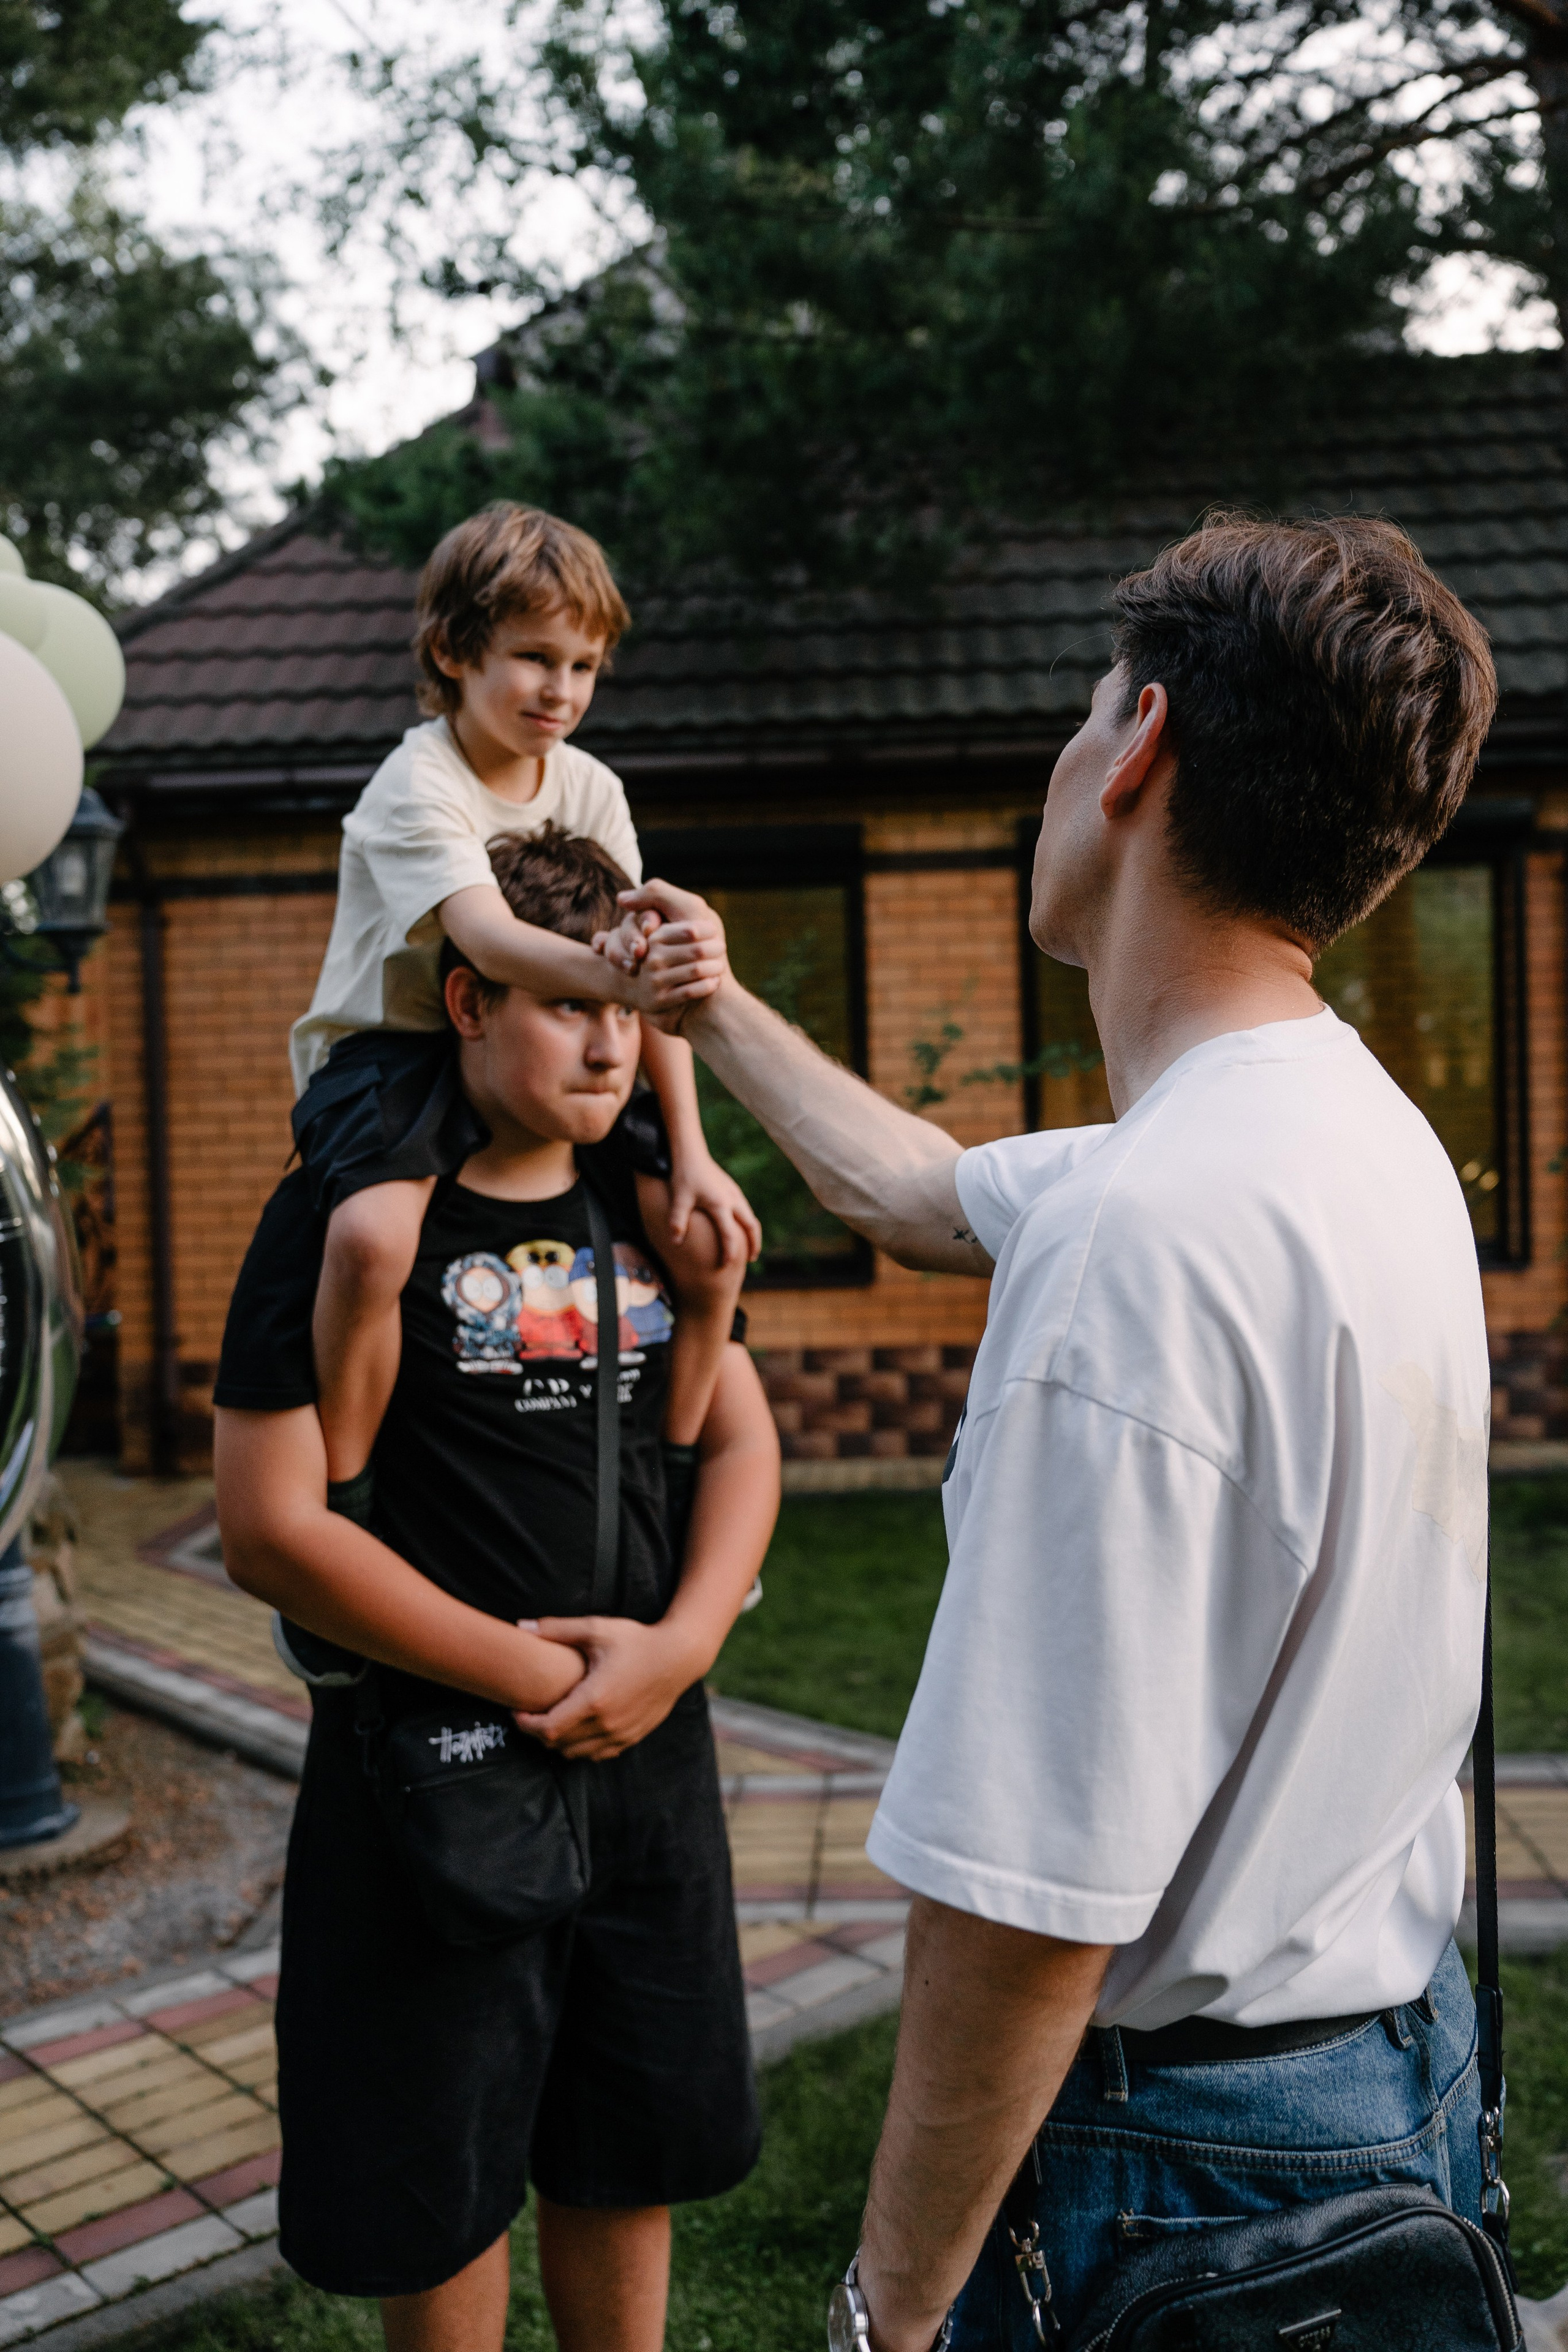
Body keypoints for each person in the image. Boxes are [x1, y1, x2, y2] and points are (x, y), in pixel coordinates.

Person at [619, 515, 1500, 2346]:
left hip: (1180, 2172)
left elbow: (1027, 1910)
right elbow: (934, 1191)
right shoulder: (1347, 1130)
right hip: (1383, 2079)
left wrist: (891, 2310)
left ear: (1143, 748)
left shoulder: (1148, 1240)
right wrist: (715, 1004)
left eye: (1081, 712)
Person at [213, 826, 780, 2352]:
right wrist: (540, 1679)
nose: (607, 1045)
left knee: (626, 2142)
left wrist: (675, 1648)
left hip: (647, 1777)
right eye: (565, 1005)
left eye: (626, 1015)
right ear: (469, 1005)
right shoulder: (352, 1218)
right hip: (431, 1784)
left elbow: (740, 1446)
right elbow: (270, 1529)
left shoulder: (650, 1204)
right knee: (434, 2178)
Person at [288, 500, 756, 1504]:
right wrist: (629, 978)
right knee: (372, 1239)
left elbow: (642, 976)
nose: (562, 690)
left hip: (551, 1031)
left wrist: (691, 1150)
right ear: (455, 651)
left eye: (584, 666)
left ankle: (674, 1471)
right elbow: (490, 940)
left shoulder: (589, 786)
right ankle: (347, 1490)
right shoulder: (417, 784)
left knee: (708, 1240)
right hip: (396, 1048)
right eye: (535, 657)